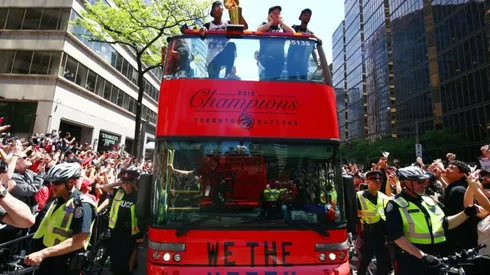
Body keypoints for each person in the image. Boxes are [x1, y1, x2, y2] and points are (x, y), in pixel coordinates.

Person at [384, 166, 479, 275]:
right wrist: (423, 256)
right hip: (412, 259)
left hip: (438, 256)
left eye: (425, 181)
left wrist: (466, 213)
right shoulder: (395, 204)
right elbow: (396, 237)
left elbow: (445, 224)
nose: (424, 184)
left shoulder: (429, 200)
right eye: (419, 182)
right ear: (405, 182)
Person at [25, 163, 97, 275]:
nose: (52, 186)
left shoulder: (82, 205)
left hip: (65, 265)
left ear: (71, 182)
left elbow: (79, 241)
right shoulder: (58, 200)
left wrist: (43, 253)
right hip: (49, 261)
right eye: (51, 182)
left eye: (57, 183)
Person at [102, 166, 143, 275]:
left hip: (130, 233)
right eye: (124, 183)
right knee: (114, 260)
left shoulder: (138, 196)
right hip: (116, 231)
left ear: (134, 183)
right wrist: (120, 182)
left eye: (128, 183)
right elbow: (105, 187)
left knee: (123, 260)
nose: (126, 185)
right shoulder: (119, 193)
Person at [200, 1, 248, 79]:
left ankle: (228, 74)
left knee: (231, 45)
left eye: (220, 6)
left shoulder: (228, 23)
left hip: (224, 55)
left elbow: (245, 27)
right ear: (212, 11)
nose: (219, 7)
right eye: (217, 6)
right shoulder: (208, 25)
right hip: (212, 59)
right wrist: (203, 29)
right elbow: (201, 32)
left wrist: (236, 9)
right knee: (213, 82)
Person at [356, 171, 391, 275]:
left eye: (380, 181)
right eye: (374, 180)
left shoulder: (384, 197)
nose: (378, 183)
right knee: (363, 263)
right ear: (367, 181)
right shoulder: (359, 196)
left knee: (384, 264)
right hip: (367, 235)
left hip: (382, 235)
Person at [256, 6, 294, 80]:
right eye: (274, 13)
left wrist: (282, 23)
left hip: (279, 60)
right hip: (265, 61)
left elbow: (293, 33)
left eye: (278, 13)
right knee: (265, 82)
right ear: (269, 15)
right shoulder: (264, 24)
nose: (277, 15)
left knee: (276, 82)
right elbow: (258, 31)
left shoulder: (282, 28)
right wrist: (271, 22)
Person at [287, 8, 321, 79]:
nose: (307, 17)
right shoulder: (294, 28)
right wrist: (314, 36)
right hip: (292, 61)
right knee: (292, 82)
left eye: (309, 16)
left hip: (303, 63)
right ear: (300, 17)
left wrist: (317, 63)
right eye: (305, 15)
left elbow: (312, 50)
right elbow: (293, 33)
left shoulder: (310, 33)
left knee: (304, 82)